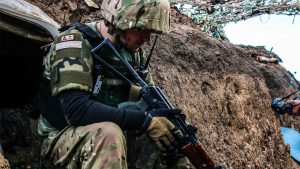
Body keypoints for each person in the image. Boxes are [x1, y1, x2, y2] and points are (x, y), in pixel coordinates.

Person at [37, 0, 194, 168]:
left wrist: (172, 128)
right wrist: (146, 121)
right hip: (61, 138)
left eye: (151, 32)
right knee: (109, 135)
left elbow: (150, 106)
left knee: (169, 139)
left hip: (108, 137)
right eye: (141, 29)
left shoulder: (133, 54)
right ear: (119, 20)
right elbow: (76, 110)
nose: (147, 39)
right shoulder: (74, 43)